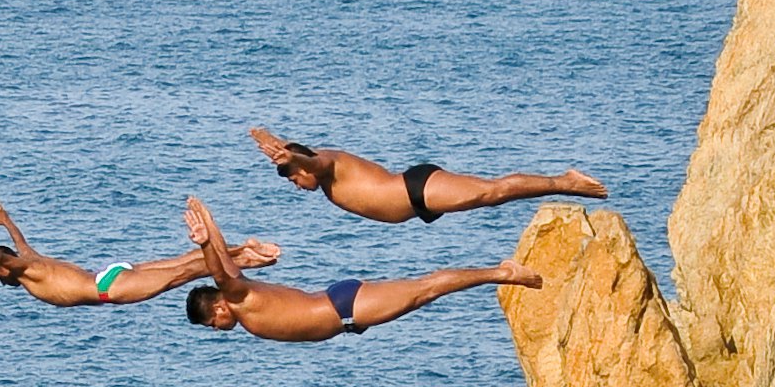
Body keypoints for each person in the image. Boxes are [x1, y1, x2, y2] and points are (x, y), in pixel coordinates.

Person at [179, 195, 541, 344]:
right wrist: (210, 225)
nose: (218, 329)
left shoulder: (238, 298)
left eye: (212, 323)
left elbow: (221, 273)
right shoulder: (242, 297)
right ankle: (498, 272)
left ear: (218, 307)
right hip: (344, 309)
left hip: (345, 309)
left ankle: (501, 272)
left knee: (425, 289)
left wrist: (204, 242)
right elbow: (226, 268)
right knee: (422, 289)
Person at [0, 195, 278, 307]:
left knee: (187, 270)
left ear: (3, 270)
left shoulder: (18, 269)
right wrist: (5, 221)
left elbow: (0, 257)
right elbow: (16, 244)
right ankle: (245, 249)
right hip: (108, 274)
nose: (1, 279)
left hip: (108, 289)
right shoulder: (30, 260)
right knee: (185, 262)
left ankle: (249, 256)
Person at [248, 129, 607, 224]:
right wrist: (275, 144)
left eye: (294, 178)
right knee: (490, 195)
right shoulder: (324, 180)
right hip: (415, 202)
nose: (297, 184)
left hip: (416, 189)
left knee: (492, 192)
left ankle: (566, 181)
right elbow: (304, 159)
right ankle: (564, 182)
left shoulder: (327, 164)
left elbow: (314, 160)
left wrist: (291, 154)